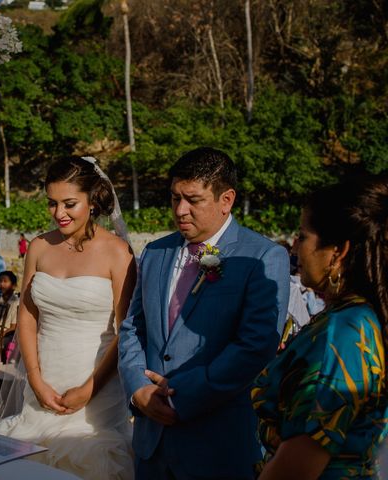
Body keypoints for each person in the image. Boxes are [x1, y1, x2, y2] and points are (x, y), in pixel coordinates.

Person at [118, 147, 290, 479]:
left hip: (216, 444)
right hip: (152, 444)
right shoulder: (155, 252)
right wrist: (138, 388)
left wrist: (182, 398)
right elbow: (132, 328)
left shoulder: (264, 257)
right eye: (174, 198)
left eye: (193, 200)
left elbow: (255, 345)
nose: (180, 210)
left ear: (226, 200)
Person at [0, 156, 137, 480]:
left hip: (95, 395)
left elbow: (125, 331)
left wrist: (90, 387)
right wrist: (35, 378)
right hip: (42, 386)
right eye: (52, 204)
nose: (59, 213)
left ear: (92, 199)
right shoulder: (40, 246)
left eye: (69, 203)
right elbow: (28, 317)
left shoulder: (117, 252)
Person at [252, 176, 388, 479]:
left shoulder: (344, 330)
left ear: (337, 251)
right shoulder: (356, 316)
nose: (296, 246)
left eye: (303, 236)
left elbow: (297, 467)